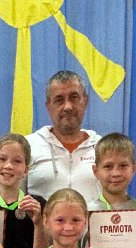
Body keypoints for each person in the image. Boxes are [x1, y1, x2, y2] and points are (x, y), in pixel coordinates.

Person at [25, 71, 101, 201]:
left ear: (86, 101)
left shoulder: (102, 147)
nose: (68, 107)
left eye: (74, 97)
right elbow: (15, 199)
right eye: (59, 100)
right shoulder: (28, 146)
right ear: (48, 106)